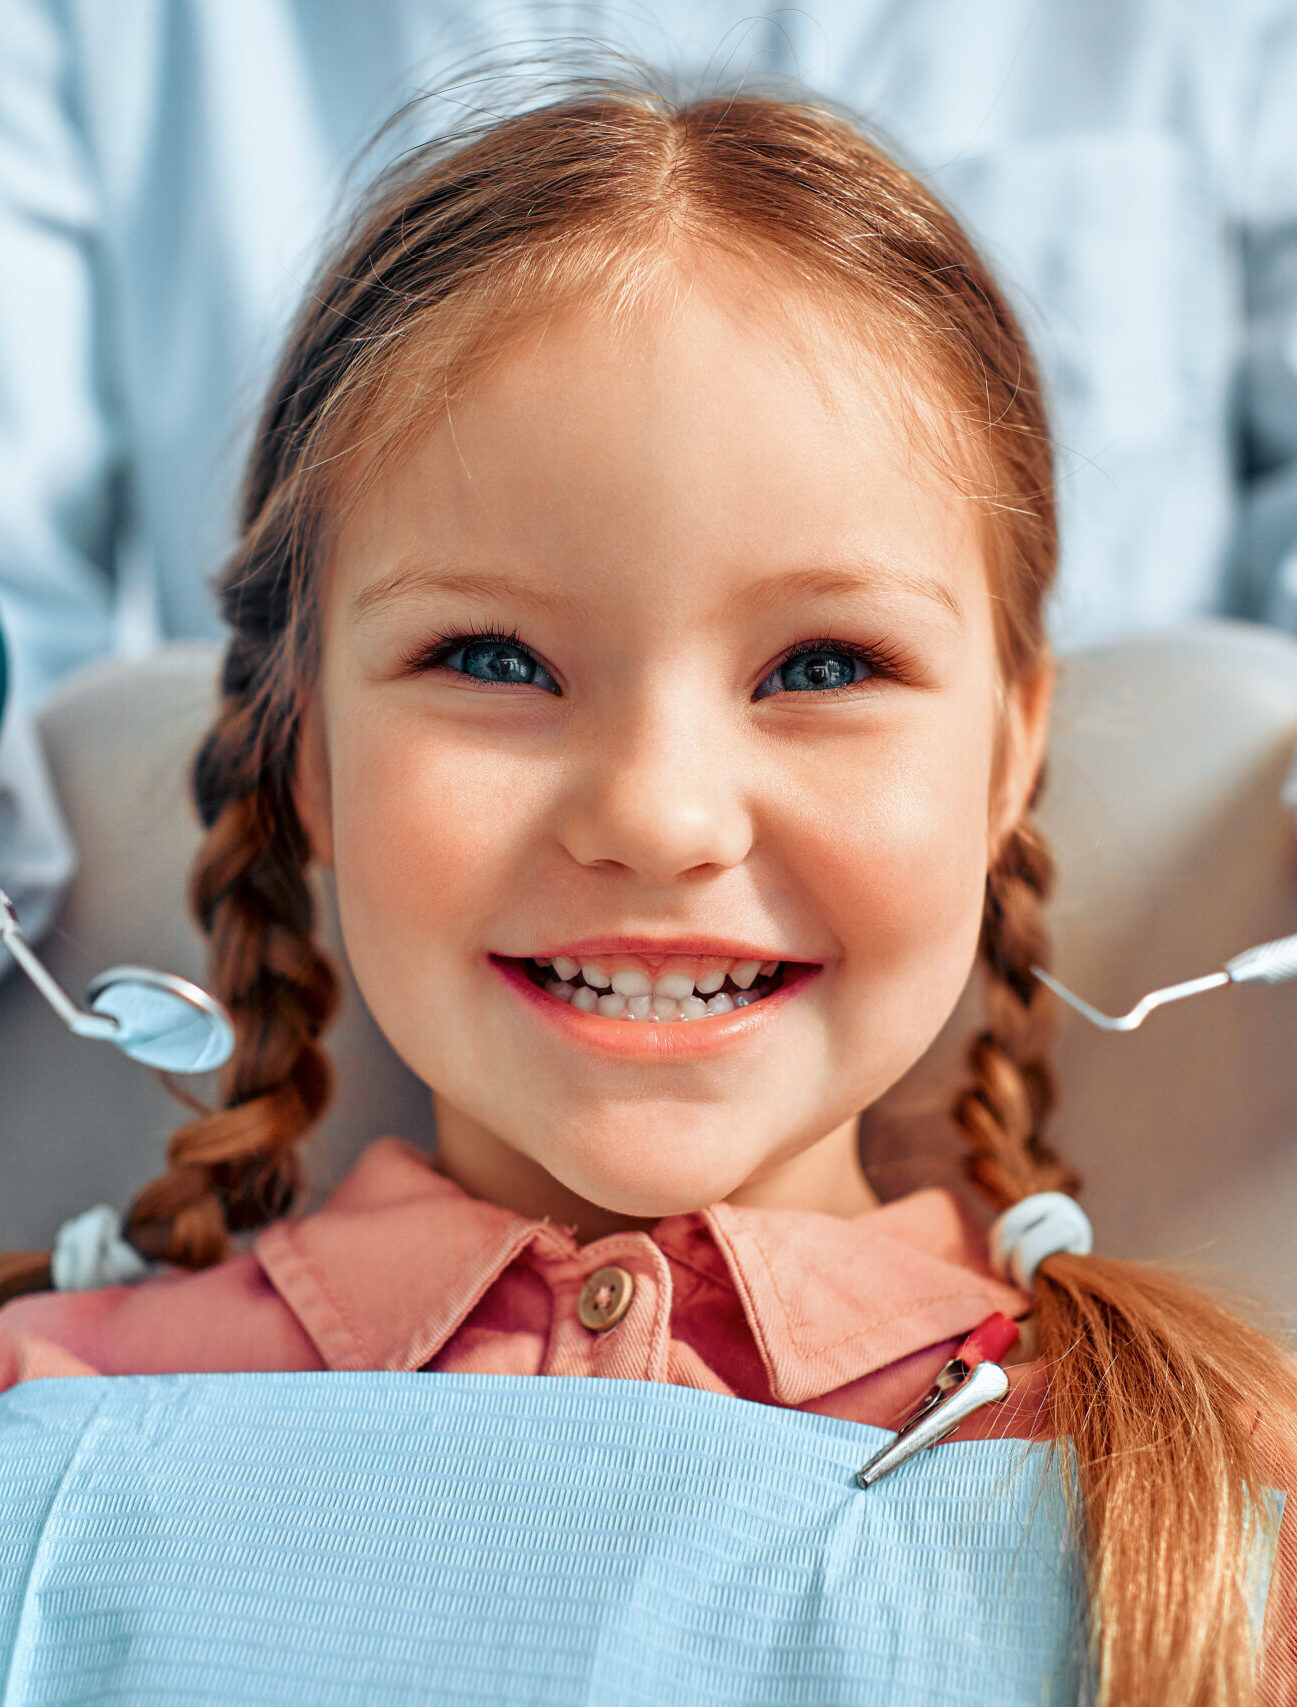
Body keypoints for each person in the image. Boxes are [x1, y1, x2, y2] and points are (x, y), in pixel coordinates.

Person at [0, 74, 1294, 1703]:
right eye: (491, 658)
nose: (660, 816)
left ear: (1004, 753)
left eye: (824, 663)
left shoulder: (1217, 1498)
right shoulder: (37, 1412)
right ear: (305, 748)